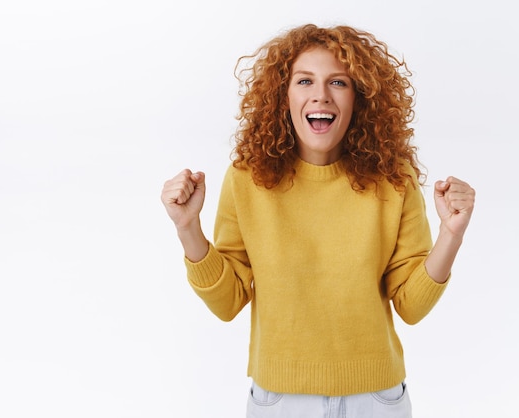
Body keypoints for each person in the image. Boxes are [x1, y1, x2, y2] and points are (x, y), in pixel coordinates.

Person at [160, 23, 475, 418]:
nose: (320, 95)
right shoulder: (247, 178)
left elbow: (411, 306)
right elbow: (228, 303)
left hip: (376, 399)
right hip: (279, 400)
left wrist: (451, 234)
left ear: (360, 98)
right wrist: (188, 228)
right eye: (304, 81)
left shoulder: (394, 179)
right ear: (283, 96)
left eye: (338, 83)